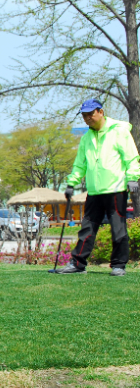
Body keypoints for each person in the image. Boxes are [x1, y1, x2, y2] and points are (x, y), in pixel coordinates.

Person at [57, 98, 140, 276]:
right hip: (94, 191)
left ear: (100, 112)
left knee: (118, 228)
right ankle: (77, 264)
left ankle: (118, 265)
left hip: (115, 189)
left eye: (90, 114)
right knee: (87, 228)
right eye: (84, 116)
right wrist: (72, 182)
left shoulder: (119, 132)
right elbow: (80, 164)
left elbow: (131, 158)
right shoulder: (86, 138)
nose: (87, 118)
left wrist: (133, 178)